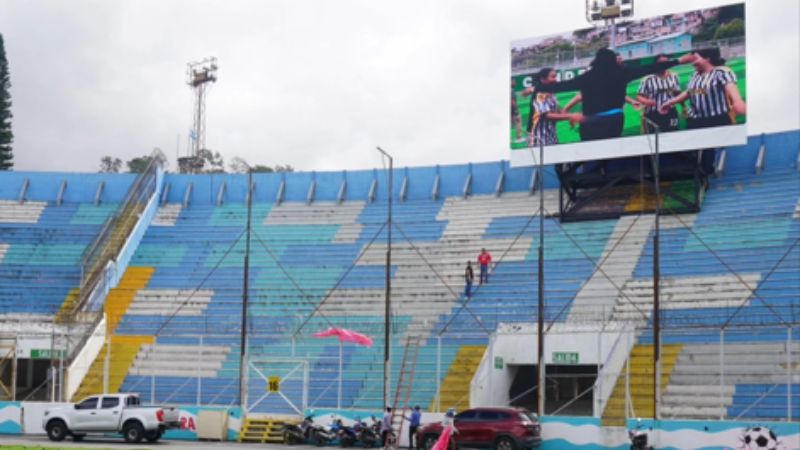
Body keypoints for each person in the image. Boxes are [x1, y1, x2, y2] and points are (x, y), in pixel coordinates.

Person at [535, 48, 696, 141]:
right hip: (615, 119)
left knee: (591, 152)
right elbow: (649, 68)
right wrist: (679, 60)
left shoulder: (587, 77)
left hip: (591, 121)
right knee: (612, 149)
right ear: (613, 61)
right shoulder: (622, 73)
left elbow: (564, 85)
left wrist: (537, 87)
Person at [660, 47, 746, 130]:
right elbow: (689, 92)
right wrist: (671, 102)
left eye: (695, 59)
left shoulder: (721, 72)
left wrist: (737, 101)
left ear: (707, 58)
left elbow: (730, 86)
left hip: (717, 120)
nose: (692, 63)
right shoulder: (695, 75)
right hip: (695, 121)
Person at [523, 68, 583, 147]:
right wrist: (570, 116)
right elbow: (547, 115)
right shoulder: (540, 94)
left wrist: (567, 115)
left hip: (550, 134)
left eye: (556, 76)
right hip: (538, 137)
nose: (555, 80)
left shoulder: (550, 92)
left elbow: (557, 108)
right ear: (543, 79)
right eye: (553, 77)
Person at [637, 53, 684, 132]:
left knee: (673, 133)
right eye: (661, 63)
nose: (664, 65)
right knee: (655, 137)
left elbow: (677, 92)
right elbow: (639, 96)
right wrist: (647, 101)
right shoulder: (648, 79)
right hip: (653, 113)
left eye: (666, 62)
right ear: (656, 64)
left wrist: (683, 106)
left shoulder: (673, 76)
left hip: (671, 111)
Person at [510, 79, 525, 144]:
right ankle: (519, 137)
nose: (515, 82)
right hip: (513, 110)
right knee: (518, 121)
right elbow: (512, 101)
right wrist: (516, 110)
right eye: (513, 81)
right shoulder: (511, 90)